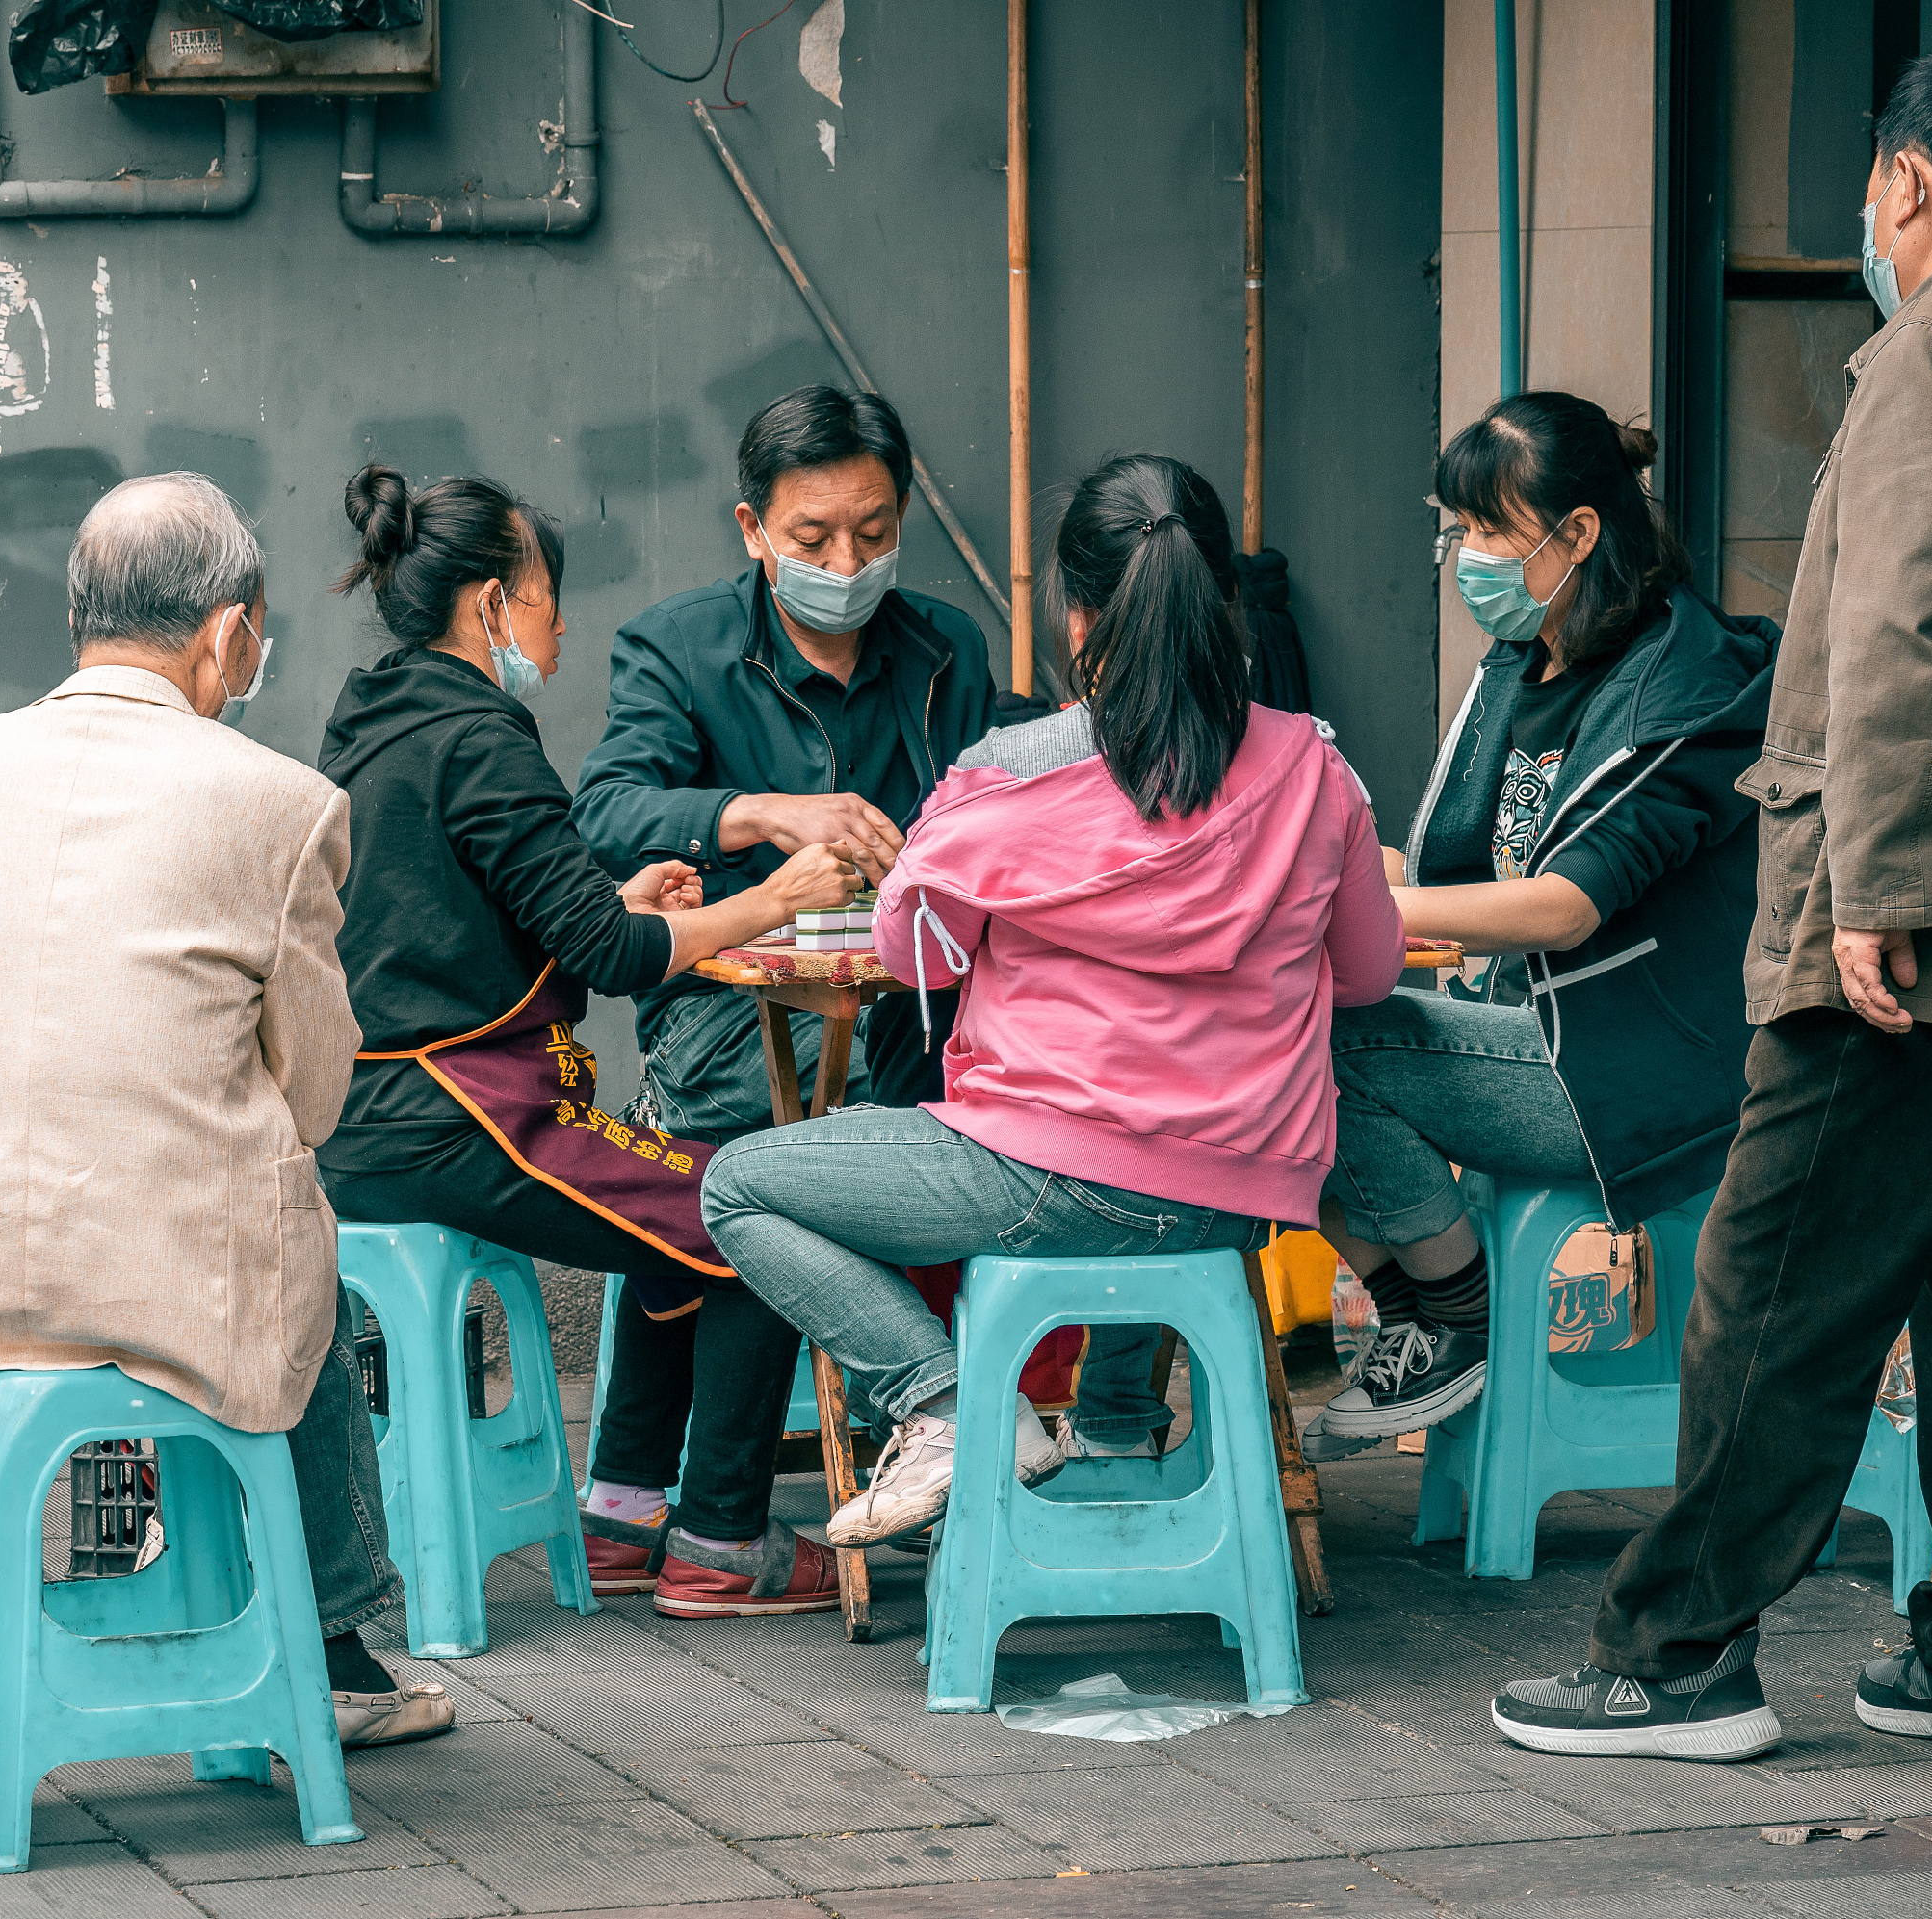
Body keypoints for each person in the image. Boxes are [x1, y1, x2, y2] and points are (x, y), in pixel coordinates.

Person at [1493, 48, 1932, 1763]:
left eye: (1870, 197)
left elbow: (1906, 625)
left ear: (1907, 181)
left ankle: (1678, 1657)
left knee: (1770, 1288)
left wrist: (1875, 889)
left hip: (1902, 928)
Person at [0, 473, 452, 1749]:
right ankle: (333, 1642)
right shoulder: (281, 803)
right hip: (184, 1292)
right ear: (229, 632)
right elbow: (315, 1092)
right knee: (299, 1227)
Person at [698, 454, 1406, 1543]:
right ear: (1221, 599)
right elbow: (1366, 974)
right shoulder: (1318, 768)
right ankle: (1115, 1430)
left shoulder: (1011, 773)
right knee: (1138, 1179)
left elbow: (917, 955)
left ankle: (946, 1407)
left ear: (1078, 618)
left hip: (1049, 1173)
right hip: (1244, 1190)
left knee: (740, 1183)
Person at [313, 462, 863, 1618]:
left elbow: (465, 924)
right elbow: (609, 961)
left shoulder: (375, 722)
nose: (561, 622)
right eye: (546, 594)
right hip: (456, 1114)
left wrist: (617, 897)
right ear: (491, 605)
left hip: (367, 1114)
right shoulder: (483, 738)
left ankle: (621, 1515)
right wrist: (772, 897)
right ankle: (720, 1540)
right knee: (757, 1210)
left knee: (679, 1218)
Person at [564, 385, 1009, 1577]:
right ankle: (715, 1524)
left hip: (915, 1009)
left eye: (872, 531)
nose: (845, 562)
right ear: (752, 528)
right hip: (726, 1008)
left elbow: (993, 805)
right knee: (767, 1143)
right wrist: (754, 813)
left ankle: (630, 1503)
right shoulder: (679, 645)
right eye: (811, 539)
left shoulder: (947, 649)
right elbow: (604, 814)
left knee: (907, 1123)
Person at [1288, 393, 1778, 1458]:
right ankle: (1429, 1310)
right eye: (1457, 530)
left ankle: (1451, 1314)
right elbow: (1457, 877)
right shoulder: (1531, 658)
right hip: (1537, 1033)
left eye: (1487, 532)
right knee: (1277, 1034)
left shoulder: (1676, 684)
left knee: (1319, 1045)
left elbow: (1565, 904)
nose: (1467, 558)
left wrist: (1364, 906)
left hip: (1639, 1068)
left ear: (1579, 534)